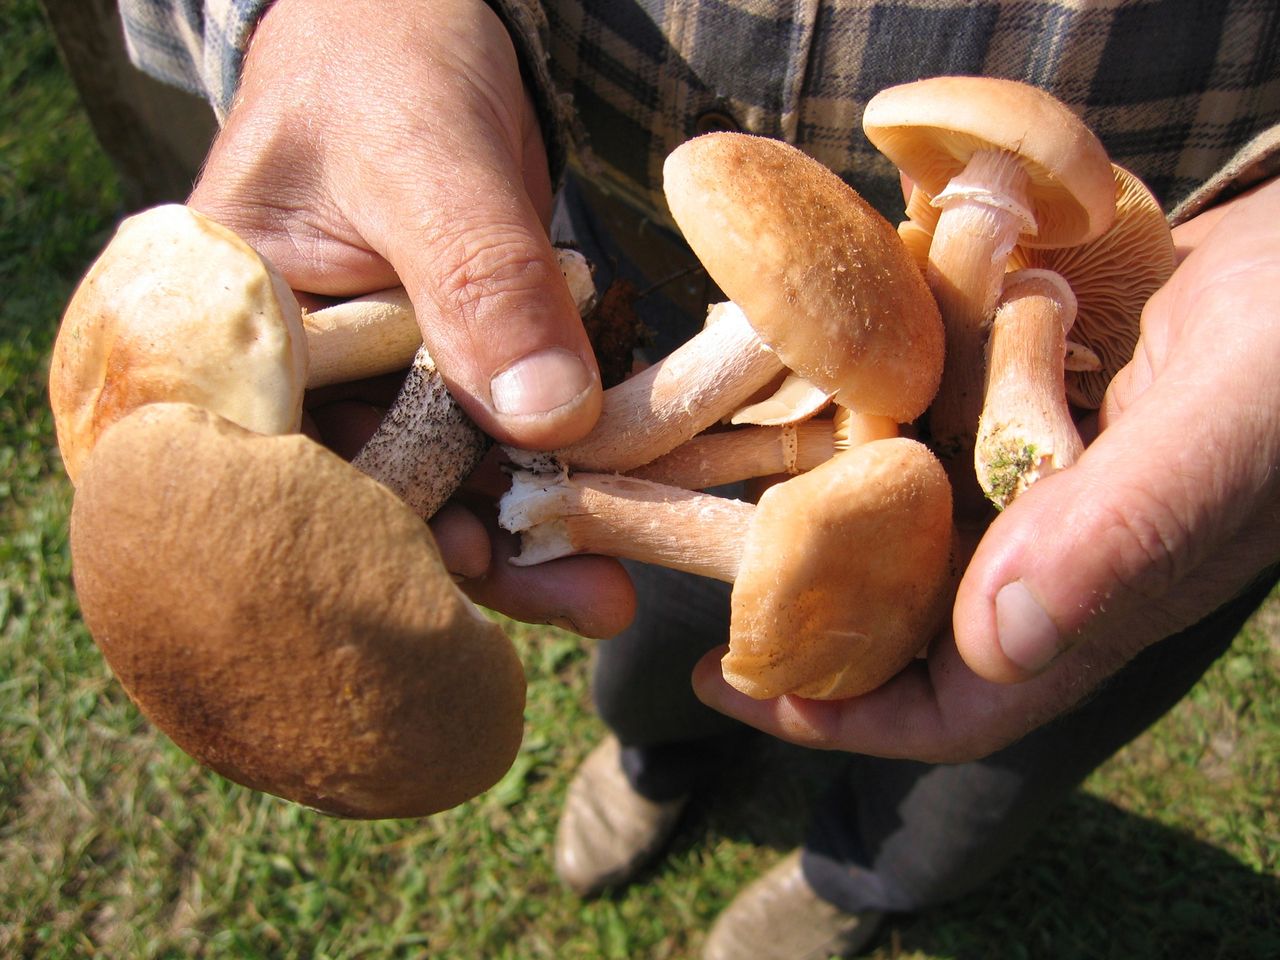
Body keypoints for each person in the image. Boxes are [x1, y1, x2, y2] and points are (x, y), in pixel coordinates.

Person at [118, 1, 1280, 956]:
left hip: (1165, 377)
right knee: (654, 657)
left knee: (994, 738)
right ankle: (650, 759)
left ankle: (858, 881)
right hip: (609, 268)